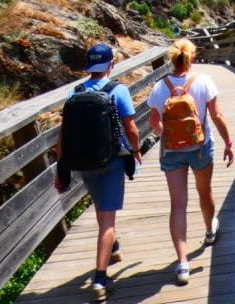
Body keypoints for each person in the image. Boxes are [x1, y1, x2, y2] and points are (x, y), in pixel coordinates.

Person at [54, 43, 141, 302]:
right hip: (111, 162)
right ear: (110, 64)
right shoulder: (118, 90)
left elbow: (63, 135)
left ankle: (112, 247)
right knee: (107, 221)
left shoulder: (74, 92)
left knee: (101, 210)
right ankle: (100, 278)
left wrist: (61, 168)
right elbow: (132, 128)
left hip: (84, 163)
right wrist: (135, 151)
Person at [147, 38, 234, 285]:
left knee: (178, 204)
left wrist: (167, 135)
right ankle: (209, 232)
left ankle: (182, 264)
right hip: (200, 148)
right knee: (204, 192)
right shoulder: (203, 81)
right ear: (192, 57)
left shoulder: (159, 87)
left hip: (171, 151)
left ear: (172, 59)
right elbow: (216, 115)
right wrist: (228, 142)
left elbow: (154, 122)